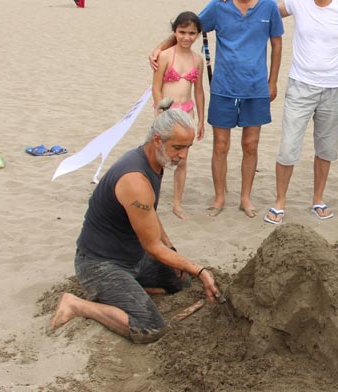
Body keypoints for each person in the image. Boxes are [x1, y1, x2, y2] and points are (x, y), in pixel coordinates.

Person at [49, 110, 221, 343]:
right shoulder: (134, 179)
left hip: (133, 258)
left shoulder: (156, 161)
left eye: (188, 147)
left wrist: (171, 250)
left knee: (181, 282)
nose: (183, 155)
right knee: (150, 328)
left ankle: (131, 290)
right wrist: (199, 269)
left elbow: (148, 213)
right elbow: (151, 245)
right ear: (158, 140)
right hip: (100, 264)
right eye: (178, 147)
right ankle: (77, 305)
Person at [220, 0, 338, 224]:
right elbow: (262, 9)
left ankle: (318, 200)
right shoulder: (297, 2)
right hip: (300, 86)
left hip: (334, 89)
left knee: (325, 149)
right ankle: (279, 202)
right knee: (288, 148)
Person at [153, 0, 284, 219]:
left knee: (251, 145)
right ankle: (219, 197)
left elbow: (277, 45)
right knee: (220, 145)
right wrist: (160, 48)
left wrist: (272, 81)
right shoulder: (219, 4)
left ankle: (245, 198)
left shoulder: (269, 7)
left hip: (256, 88)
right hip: (223, 87)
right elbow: (189, 28)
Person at [151, 11, 206, 220]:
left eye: (192, 33)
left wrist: (200, 119)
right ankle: (152, 200)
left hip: (187, 113)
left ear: (198, 35)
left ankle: (177, 204)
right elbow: (156, 87)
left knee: (182, 160)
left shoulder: (197, 60)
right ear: (175, 32)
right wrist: (160, 112)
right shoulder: (165, 56)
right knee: (160, 158)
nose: (186, 37)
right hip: (166, 112)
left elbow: (199, 91)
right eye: (182, 32)